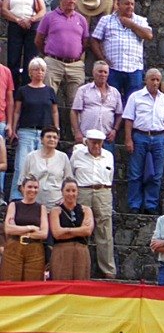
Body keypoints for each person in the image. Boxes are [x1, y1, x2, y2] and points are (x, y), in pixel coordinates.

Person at [34, 0, 89, 137]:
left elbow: (85, 42)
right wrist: (49, 54)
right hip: (53, 62)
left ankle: (76, 135)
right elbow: (38, 40)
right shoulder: (49, 17)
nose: (72, 1)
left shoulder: (81, 19)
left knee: (77, 101)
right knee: (47, 97)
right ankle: (47, 133)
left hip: (75, 64)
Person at [70, 128, 114, 275]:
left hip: (103, 191)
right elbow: (71, 175)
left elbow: (110, 176)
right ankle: (81, 268)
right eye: (93, 143)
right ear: (87, 142)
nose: (96, 146)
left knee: (105, 231)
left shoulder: (109, 156)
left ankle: (108, 270)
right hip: (83, 191)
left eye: (99, 143)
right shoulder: (77, 155)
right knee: (82, 229)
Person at [89, 0, 146, 101]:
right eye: (127, 4)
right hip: (113, 68)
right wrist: (102, 59)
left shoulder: (140, 20)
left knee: (133, 103)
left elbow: (148, 35)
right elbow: (94, 40)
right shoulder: (106, 20)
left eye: (132, 4)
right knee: (111, 101)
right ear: (118, 4)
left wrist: (131, 24)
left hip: (134, 69)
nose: (130, 7)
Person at [13, 57, 58, 188]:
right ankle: (16, 196)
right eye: (36, 69)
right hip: (26, 131)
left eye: (42, 70)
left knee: (43, 166)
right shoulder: (23, 90)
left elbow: (54, 111)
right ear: (30, 72)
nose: (40, 72)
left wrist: (57, 128)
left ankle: (41, 196)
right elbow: (17, 111)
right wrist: (15, 128)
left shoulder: (50, 91)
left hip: (45, 133)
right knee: (22, 166)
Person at [4, 0, 45, 86]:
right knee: (13, 58)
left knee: (30, 58)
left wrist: (31, 20)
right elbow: (5, 9)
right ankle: (13, 87)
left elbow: (42, 11)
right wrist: (17, 20)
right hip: (15, 25)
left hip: (31, 26)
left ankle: (28, 87)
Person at [2, 176, 47, 281]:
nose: (33, 190)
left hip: (35, 249)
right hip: (14, 247)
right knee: (10, 281)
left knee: (33, 284)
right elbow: (8, 229)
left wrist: (19, 230)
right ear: (22, 188)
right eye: (29, 187)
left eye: (36, 187)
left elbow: (44, 233)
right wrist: (30, 227)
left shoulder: (41, 208)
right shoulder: (14, 205)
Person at [71, 62, 121, 149]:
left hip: (107, 138)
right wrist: (77, 132)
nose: (103, 74)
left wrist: (115, 130)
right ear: (93, 73)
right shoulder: (83, 90)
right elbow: (74, 111)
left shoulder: (115, 92)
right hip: (86, 137)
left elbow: (119, 113)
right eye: (100, 71)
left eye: (105, 72)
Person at [21, 128, 69, 208]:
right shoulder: (31, 157)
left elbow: (68, 181)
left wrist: (64, 200)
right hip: (34, 204)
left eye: (55, 137)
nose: (52, 139)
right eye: (48, 137)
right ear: (41, 139)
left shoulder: (63, 157)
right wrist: (28, 200)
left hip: (57, 204)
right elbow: (22, 182)